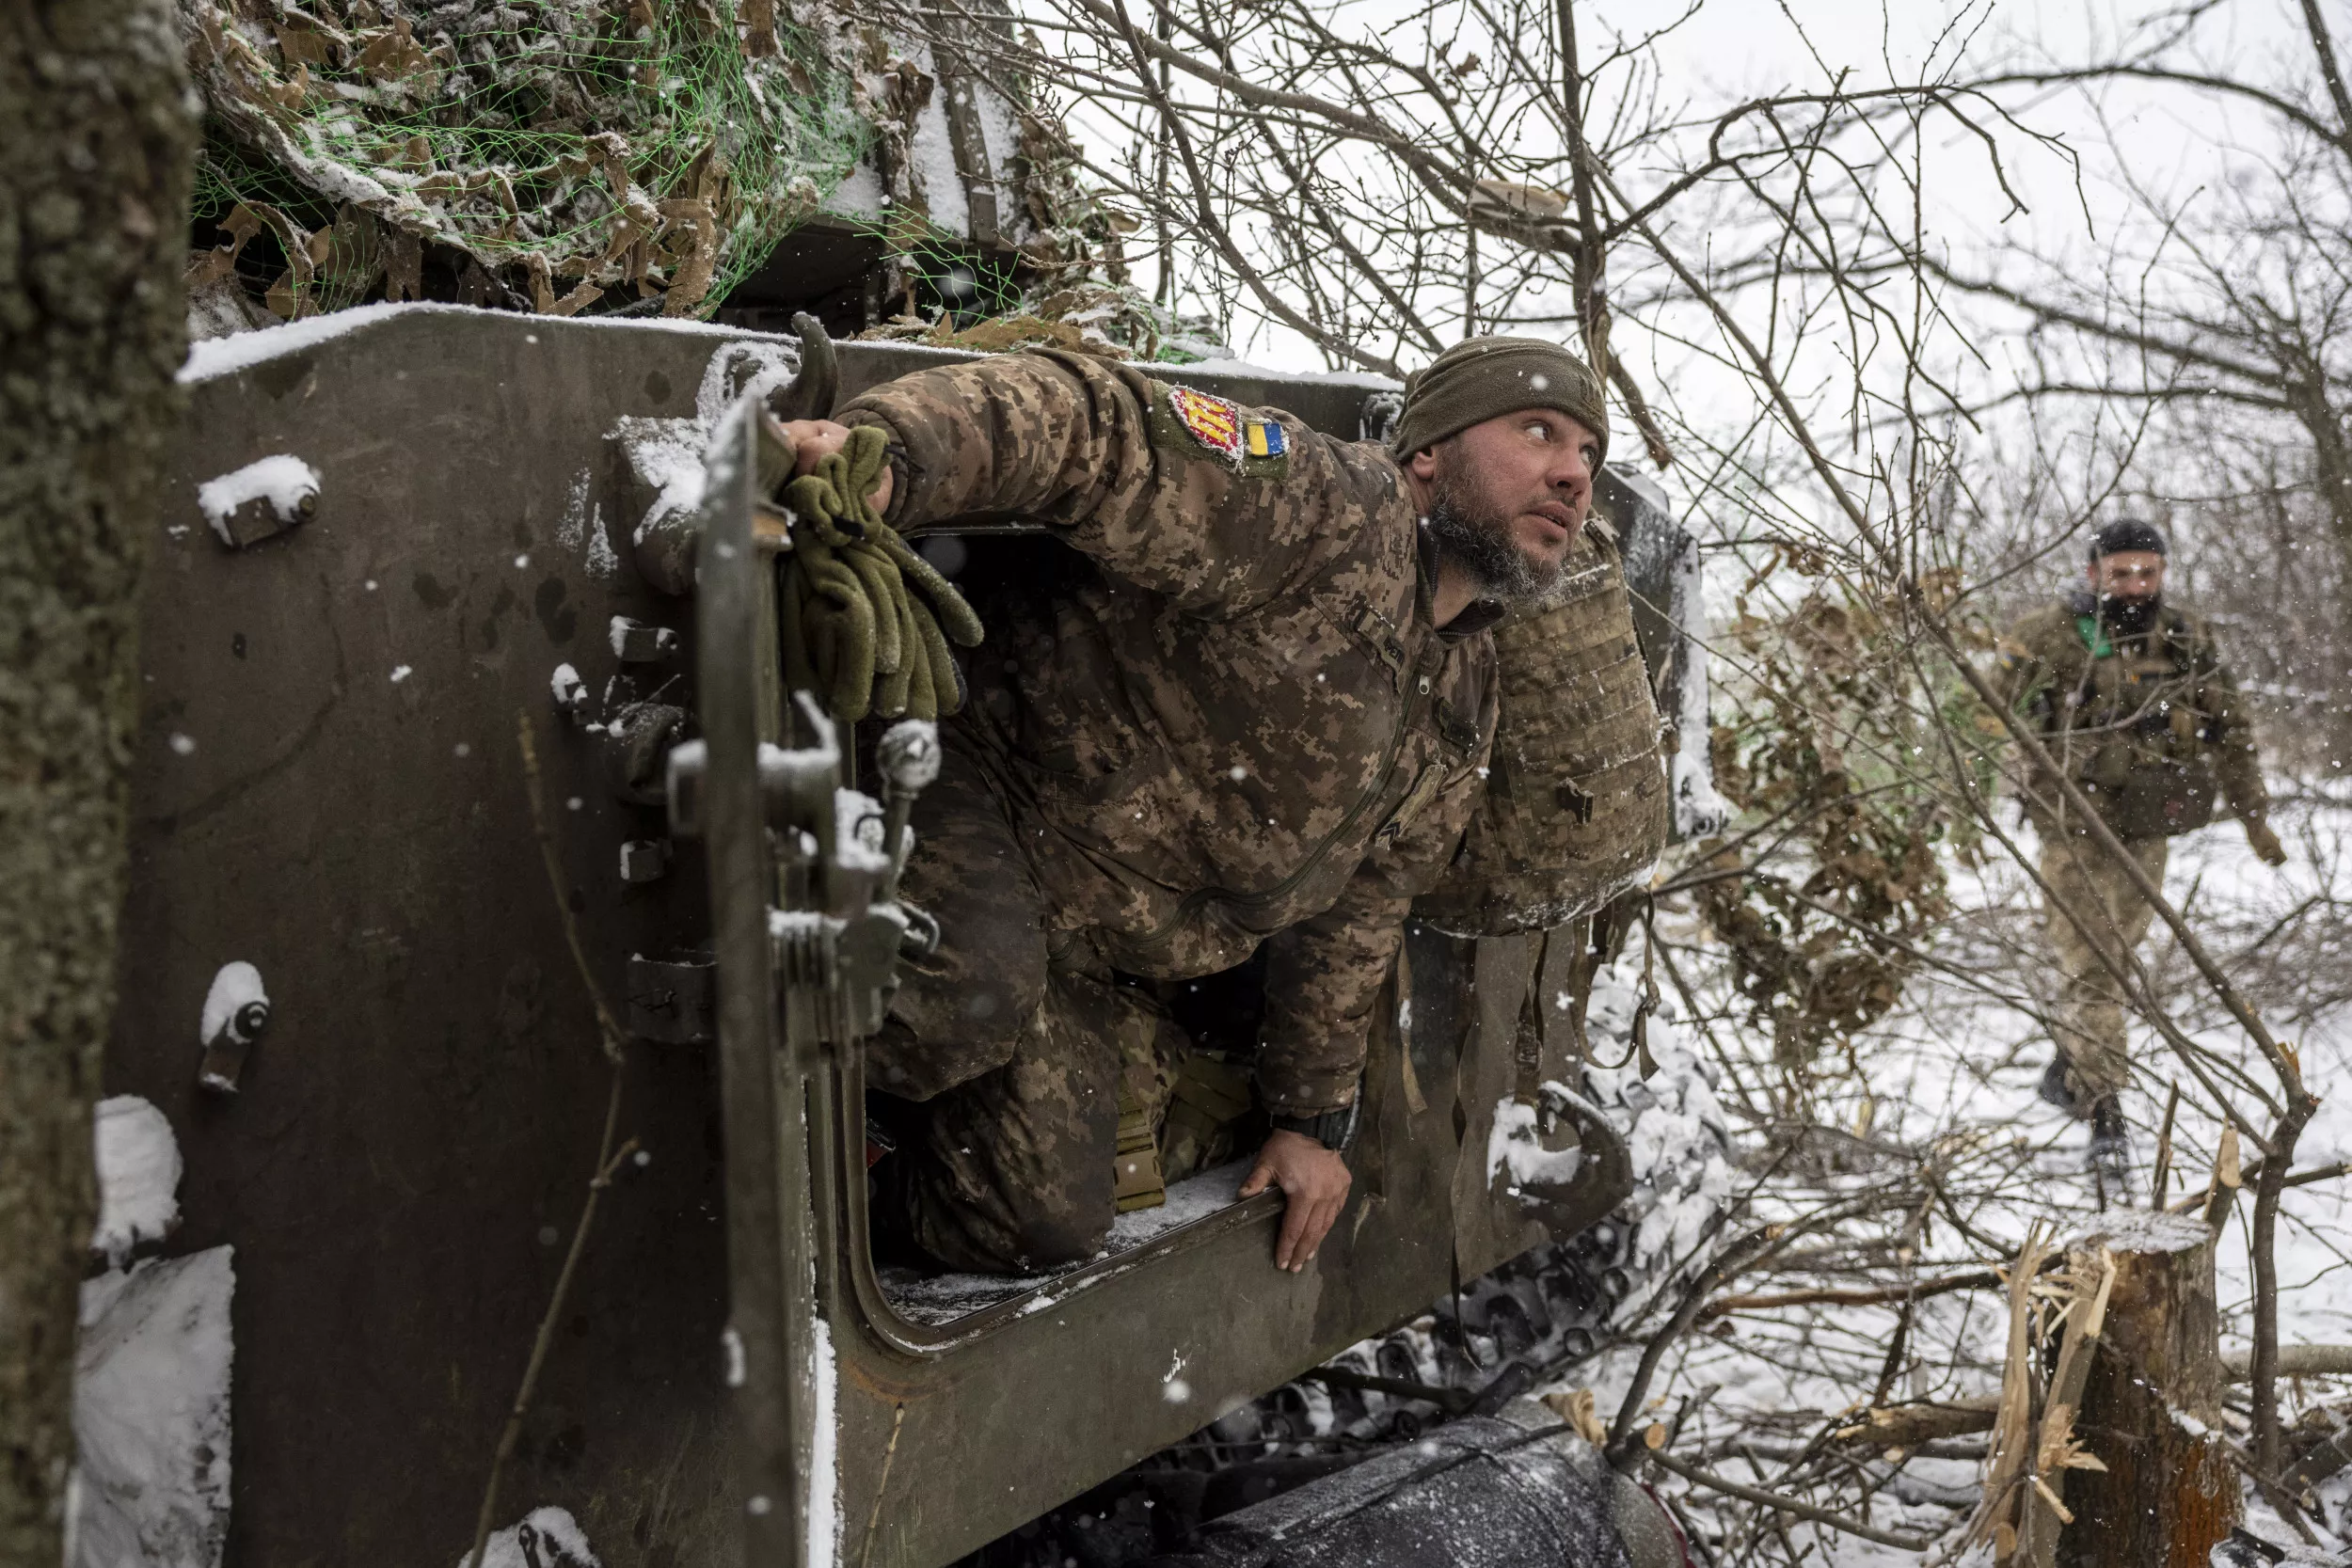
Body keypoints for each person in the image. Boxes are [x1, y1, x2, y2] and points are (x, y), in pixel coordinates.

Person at [778, 337, 1608, 1275]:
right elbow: (1099, 427)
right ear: (1428, 452)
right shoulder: (1322, 507)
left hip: (1086, 943)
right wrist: (889, 458)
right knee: (967, 988)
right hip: (966, 777)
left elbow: (1361, 906)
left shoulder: (1464, 683)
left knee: (1037, 1217)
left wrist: (1309, 1121)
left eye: (1588, 454)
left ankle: (827, 1210)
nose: (1571, 474)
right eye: (1539, 431)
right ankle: (736, 1130)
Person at [1994, 518, 2283, 1172]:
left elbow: (2230, 730)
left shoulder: (2184, 637)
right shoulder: (2049, 634)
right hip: (2073, 826)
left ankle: (2070, 1068)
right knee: (2095, 963)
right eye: (2120, 572)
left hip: (2149, 823)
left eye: (2147, 572)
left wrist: (2254, 818)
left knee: (2116, 959)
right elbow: (1982, 708)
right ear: (2093, 571)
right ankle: (2105, 1113)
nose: (2134, 585)